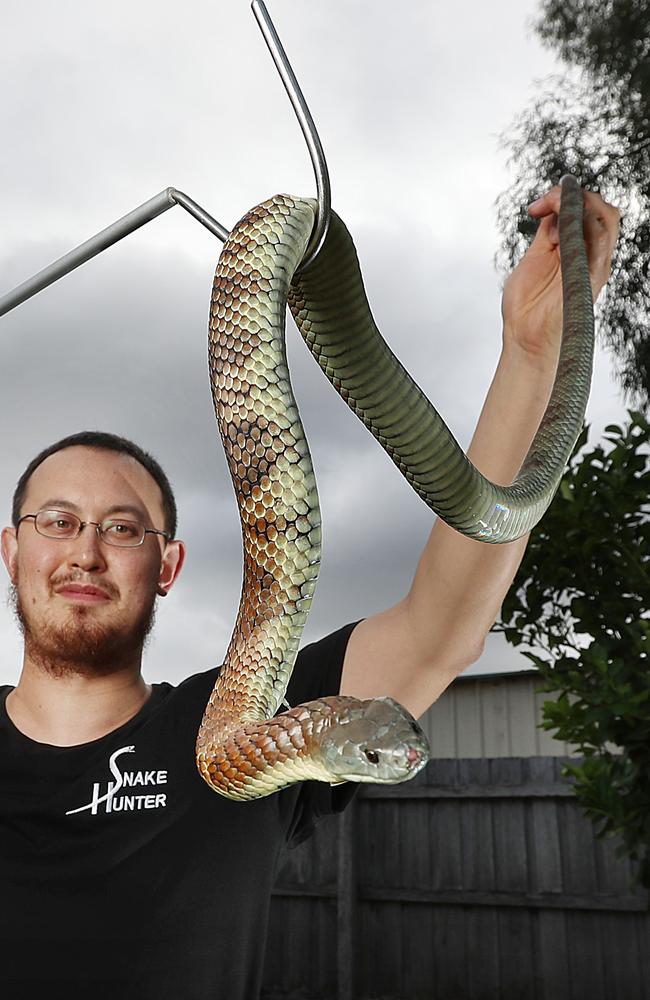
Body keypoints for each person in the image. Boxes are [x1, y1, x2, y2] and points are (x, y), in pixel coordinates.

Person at [0, 185, 619, 999]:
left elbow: (442, 629)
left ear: (170, 564)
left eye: (123, 528)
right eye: (57, 521)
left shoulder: (240, 730)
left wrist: (533, 353)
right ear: (11, 552)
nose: (86, 550)